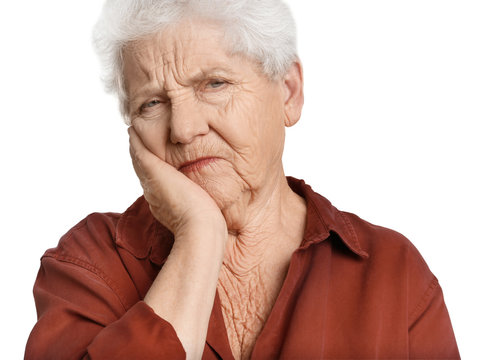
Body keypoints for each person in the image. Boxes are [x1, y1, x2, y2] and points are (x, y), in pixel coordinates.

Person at [25, 0, 460, 359]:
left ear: (288, 92)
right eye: (152, 104)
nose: (183, 129)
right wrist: (199, 235)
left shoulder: (393, 274)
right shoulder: (89, 265)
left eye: (213, 84)